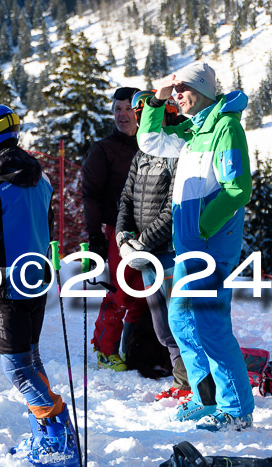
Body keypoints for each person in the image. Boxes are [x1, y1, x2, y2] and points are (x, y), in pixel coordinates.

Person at [137, 62, 254, 431]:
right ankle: (207, 399)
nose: (176, 96)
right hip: (189, 245)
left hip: (209, 245)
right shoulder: (195, 129)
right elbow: (150, 140)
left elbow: (238, 189)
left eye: (180, 90)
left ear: (201, 88)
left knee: (209, 323)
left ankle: (235, 409)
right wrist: (156, 100)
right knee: (182, 320)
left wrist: (201, 229)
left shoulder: (225, 128)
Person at [0, 104, 79, 467]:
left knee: (15, 365)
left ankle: (58, 438)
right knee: (30, 356)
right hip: (37, 278)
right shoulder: (39, 178)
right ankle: (50, 434)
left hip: (5, 283)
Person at [116, 90, 191, 401]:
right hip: (145, 255)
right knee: (162, 327)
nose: (139, 118)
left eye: (145, 112)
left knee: (181, 321)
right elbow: (127, 199)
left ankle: (194, 385)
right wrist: (123, 237)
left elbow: (175, 208)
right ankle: (182, 380)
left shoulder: (178, 150)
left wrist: (143, 243)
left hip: (169, 251)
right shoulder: (142, 153)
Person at [82, 86, 151, 371]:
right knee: (120, 292)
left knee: (143, 295)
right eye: (117, 109)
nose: (121, 115)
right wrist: (95, 236)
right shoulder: (104, 149)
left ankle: (135, 350)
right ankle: (105, 349)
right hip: (117, 231)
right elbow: (89, 194)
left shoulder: (151, 145)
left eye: (127, 109)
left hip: (151, 230)